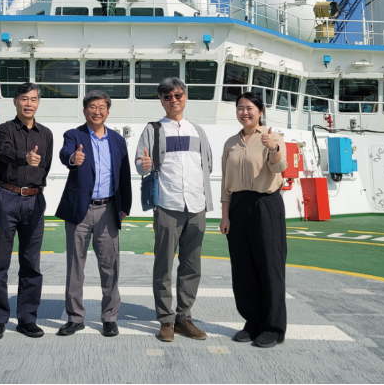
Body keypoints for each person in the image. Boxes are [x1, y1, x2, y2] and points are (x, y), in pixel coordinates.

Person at [135, 77, 214, 343]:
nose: (173, 100)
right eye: (167, 97)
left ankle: (184, 317)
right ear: (161, 100)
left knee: (192, 265)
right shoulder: (153, 129)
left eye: (178, 95)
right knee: (164, 265)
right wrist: (144, 165)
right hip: (167, 204)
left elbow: (208, 164)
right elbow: (140, 162)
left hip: (196, 205)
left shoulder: (197, 130)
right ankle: (166, 320)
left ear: (185, 97)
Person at [56, 90, 133, 338]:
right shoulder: (74, 135)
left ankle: (109, 318)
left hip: (108, 208)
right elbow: (65, 154)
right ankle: (75, 317)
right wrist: (73, 158)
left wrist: (125, 206)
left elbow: (124, 174)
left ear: (107, 112)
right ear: (85, 110)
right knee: (75, 265)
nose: (96, 111)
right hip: (79, 208)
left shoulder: (117, 140)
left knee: (110, 266)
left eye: (101, 107)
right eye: (92, 107)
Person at [218, 92, 288, 349]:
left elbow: (280, 168)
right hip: (238, 205)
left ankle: (273, 327)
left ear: (260, 111)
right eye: (240, 108)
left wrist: (273, 149)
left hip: (265, 204)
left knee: (269, 266)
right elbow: (226, 182)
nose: (244, 112)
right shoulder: (230, 143)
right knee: (243, 267)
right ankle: (253, 322)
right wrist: (225, 216)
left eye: (249, 108)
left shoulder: (273, 137)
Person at [0, 82, 53, 340]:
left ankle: (27, 319)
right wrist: (24, 157)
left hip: (34, 200)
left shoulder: (45, 134)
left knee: (31, 263)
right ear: (15, 102)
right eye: (24, 99)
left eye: (33, 99)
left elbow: (45, 166)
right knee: (0, 262)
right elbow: (4, 152)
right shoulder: (3, 130)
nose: (29, 104)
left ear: (38, 103)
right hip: (7, 198)